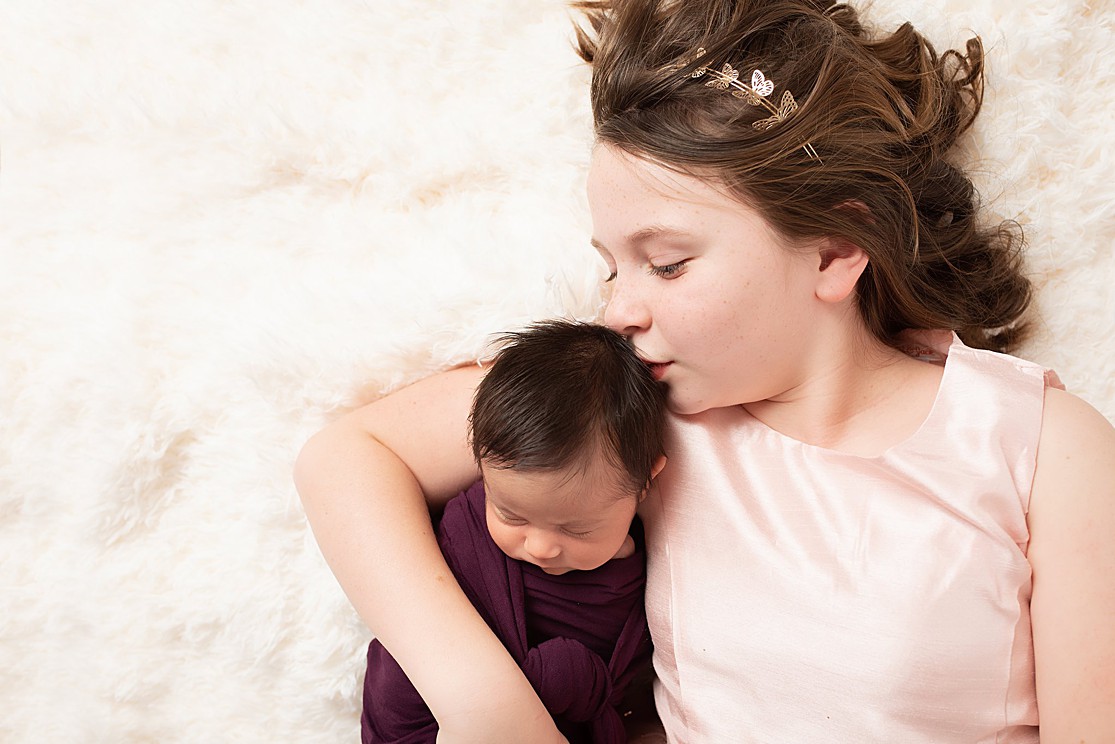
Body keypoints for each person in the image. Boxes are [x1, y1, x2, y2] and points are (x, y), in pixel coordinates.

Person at [295, 1, 1115, 741]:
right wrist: (483, 699)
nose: (619, 308)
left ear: (833, 251)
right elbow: (350, 459)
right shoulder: (639, 407)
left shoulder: (1040, 447)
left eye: (668, 263)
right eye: (612, 268)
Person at [359, 320, 667, 744]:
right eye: (512, 516)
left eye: (577, 529)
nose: (539, 546)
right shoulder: (464, 536)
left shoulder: (647, 582)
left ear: (645, 484)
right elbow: (401, 658)